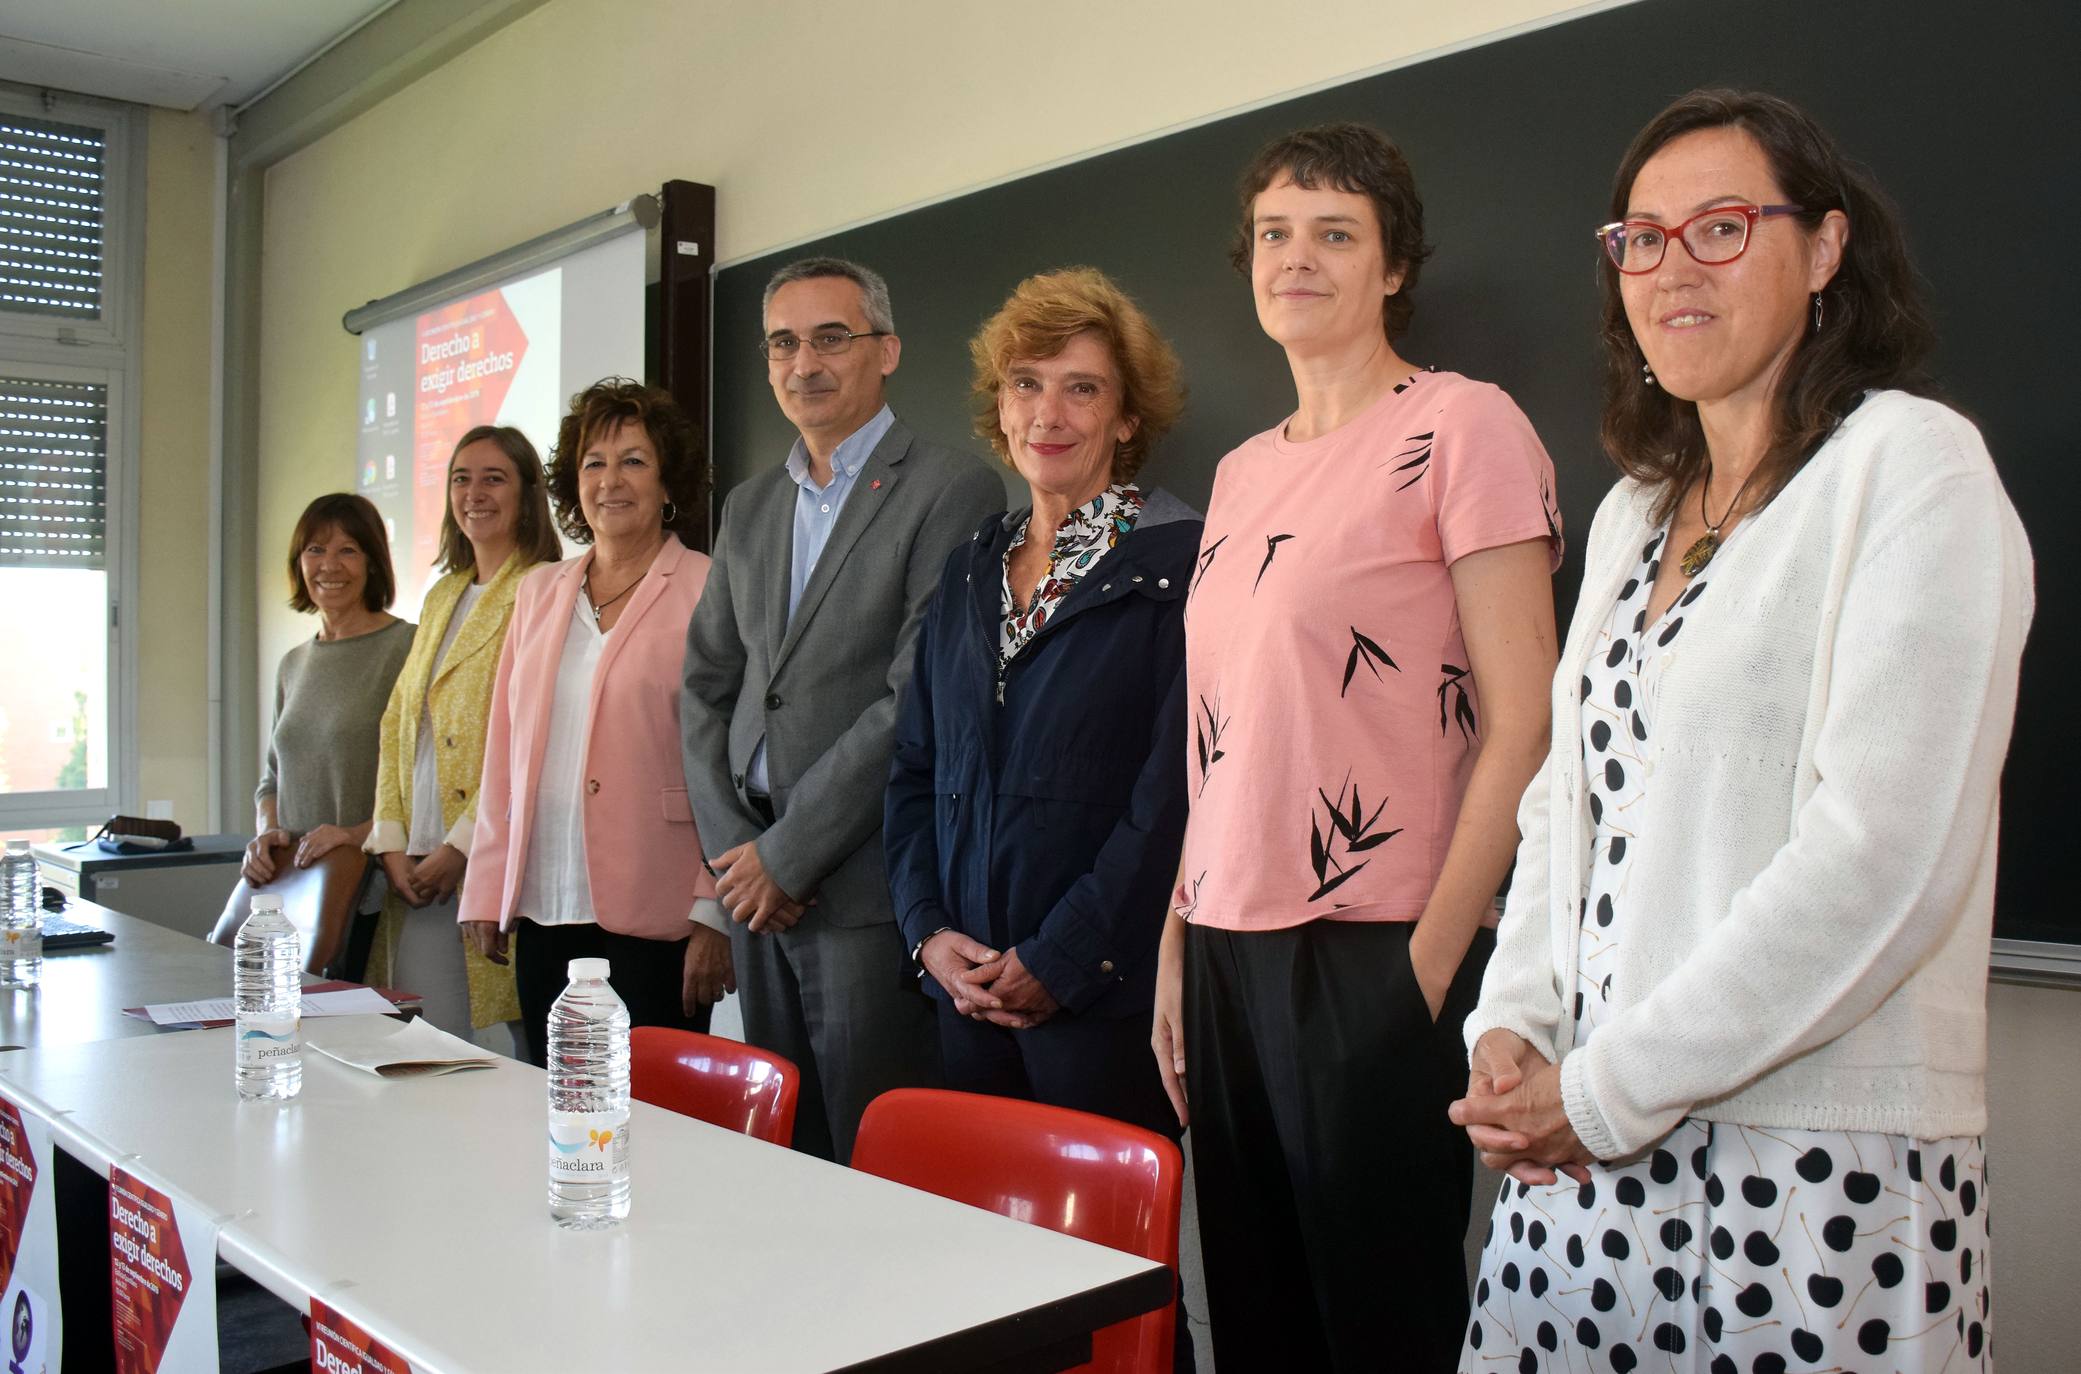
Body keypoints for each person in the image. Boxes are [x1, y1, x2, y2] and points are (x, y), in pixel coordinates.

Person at [1451, 89, 2030, 1374]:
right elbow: (1564, 806)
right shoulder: (1630, 513)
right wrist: (1513, 1022)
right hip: (1583, 1164)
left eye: (1720, 227)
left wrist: (1602, 1093)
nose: (1670, 269)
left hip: (1809, 1172)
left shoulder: (1910, 468)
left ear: (1824, 251)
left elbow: (1881, 854)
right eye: (1639, 240)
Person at [1150, 123, 1563, 1371]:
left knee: (1376, 1326)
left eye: (1335, 233)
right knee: (1259, 1324)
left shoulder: (1463, 425)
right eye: (1274, 233)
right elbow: (1216, 742)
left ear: (1392, 267)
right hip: (1222, 946)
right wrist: (1176, 949)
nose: (1297, 258)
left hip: (1372, 944)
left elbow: (1527, 720)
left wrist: (1424, 971)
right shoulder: (1232, 473)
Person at [680, 257, 1004, 1164]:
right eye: (783, 342)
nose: (803, 362)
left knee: (877, 1159)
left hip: (860, 888)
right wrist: (733, 852)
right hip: (752, 883)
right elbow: (707, 685)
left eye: (832, 337)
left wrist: (787, 856)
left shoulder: (950, 487)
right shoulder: (747, 508)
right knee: (780, 1155)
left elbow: (915, 697)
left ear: (887, 351)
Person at [887, 267, 1196, 1138]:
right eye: (1026, 384)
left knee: (1105, 1268)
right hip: (963, 992)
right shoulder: (966, 569)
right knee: (987, 1259)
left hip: (1103, 1002)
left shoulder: (1182, 570)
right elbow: (913, 770)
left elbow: (1170, 799)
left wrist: (1060, 959)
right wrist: (926, 936)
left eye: (1081, 389)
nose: (1047, 415)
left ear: (1127, 417)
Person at [459, 380, 728, 1066]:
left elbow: (731, 762)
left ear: (668, 480)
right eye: (594, 463)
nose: (611, 480)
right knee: (559, 1112)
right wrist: (488, 885)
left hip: (659, 909)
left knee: (658, 1127)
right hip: (545, 905)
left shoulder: (708, 587)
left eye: (634, 461)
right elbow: (504, 751)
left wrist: (714, 908)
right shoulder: (538, 591)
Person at [362, 426, 562, 1046]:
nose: (474, 493)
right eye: (461, 478)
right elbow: (399, 721)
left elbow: (533, 737)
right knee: (421, 1051)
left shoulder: (545, 589)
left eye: (493, 478)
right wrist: (391, 840)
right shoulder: (445, 593)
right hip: (415, 871)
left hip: (488, 867)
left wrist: (462, 848)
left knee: (494, 1059)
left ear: (528, 494)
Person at [245, 493, 413, 899]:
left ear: (372, 562)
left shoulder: (408, 647)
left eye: (348, 551)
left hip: (371, 888)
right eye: (315, 550)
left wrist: (354, 835)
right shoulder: (293, 664)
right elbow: (272, 779)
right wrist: (267, 832)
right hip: (292, 890)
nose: (329, 565)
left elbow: (427, 780)